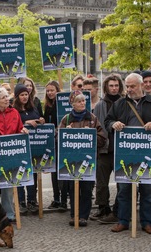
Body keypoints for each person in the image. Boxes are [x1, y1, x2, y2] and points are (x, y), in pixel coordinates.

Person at [105, 73, 151, 235]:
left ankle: (147, 222)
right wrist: (114, 124)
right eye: (127, 86)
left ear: (142, 85)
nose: (129, 89)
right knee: (124, 190)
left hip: (147, 153)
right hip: (125, 153)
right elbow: (107, 121)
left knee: (147, 190)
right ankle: (123, 221)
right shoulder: (120, 103)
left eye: (132, 86)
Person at [0, 87, 29, 221]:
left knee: (9, 185)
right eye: (3, 98)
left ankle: (9, 214)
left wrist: (23, 131)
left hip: (10, 154)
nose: (7, 99)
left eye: (7, 96)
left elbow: (19, 129)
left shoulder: (14, 112)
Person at [58, 91, 106, 226]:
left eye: (84, 101)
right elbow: (57, 138)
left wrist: (90, 136)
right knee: (73, 188)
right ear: (72, 104)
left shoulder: (92, 118)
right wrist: (65, 132)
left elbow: (103, 138)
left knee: (86, 188)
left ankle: (84, 215)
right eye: (79, 101)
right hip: (72, 161)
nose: (82, 103)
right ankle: (74, 214)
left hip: (88, 160)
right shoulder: (66, 119)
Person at [93, 74, 124, 223]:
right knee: (102, 182)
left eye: (116, 85)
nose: (114, 88)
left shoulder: (125, 103)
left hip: (120, 148)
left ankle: (119, 209)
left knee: (122, 182)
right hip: (105, 149)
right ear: (106, 87)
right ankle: (103, 208)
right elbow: (98, 127)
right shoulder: (100, 105)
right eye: (111, 85)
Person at [12, 83, 44, 211]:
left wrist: (41, 120)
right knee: (20, 173)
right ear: (17, 97)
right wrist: (25, 123)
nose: (25, 97)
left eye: (26, 94)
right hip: (20, 146)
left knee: (33, 173)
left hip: (34, 146)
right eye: (22, 95)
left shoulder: (33, 108)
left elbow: (39, 120)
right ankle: (21, 201)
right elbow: (14, 124)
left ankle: (32, 199)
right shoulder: (14, 110)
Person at [42, 80, 64, 210]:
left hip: (61, 140)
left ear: (57, 90)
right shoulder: (48, 106)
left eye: (52, 90)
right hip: (52, 142)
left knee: (62, 172)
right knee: (53, 172)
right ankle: (56, 198)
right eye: (48, 91)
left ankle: (62, 199)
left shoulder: (61, 104)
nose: (50, 93)